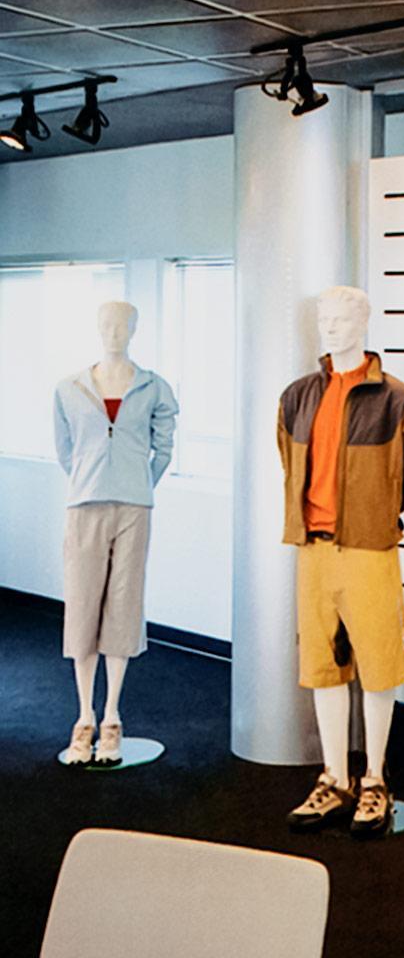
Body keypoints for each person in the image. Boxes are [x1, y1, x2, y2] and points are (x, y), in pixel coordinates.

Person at [277, 285, 404, 838]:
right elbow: (288, 462)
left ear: (364, 323)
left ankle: (374, 781)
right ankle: (334, 778)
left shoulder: (397, 399)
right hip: (313, 548)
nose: (330, 326)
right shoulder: (297, 397)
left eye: (342, 317)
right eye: (324, 316)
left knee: (378, 664)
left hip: (369, 549)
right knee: (323, 666)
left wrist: (374, 510)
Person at [53, 300, 178, 766]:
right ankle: (83, 716)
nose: (113, 331)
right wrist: (92, 479)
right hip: (84, 505)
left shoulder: (153, 387)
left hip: (133, 508)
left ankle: (111, 717)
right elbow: (66, 450)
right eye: (106, 323)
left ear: (134, 329)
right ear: (96, 326)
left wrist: (138, 484)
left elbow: (164, 448)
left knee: (124, 605)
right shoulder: (69, 388)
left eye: (122, 324)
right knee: (82, 604)